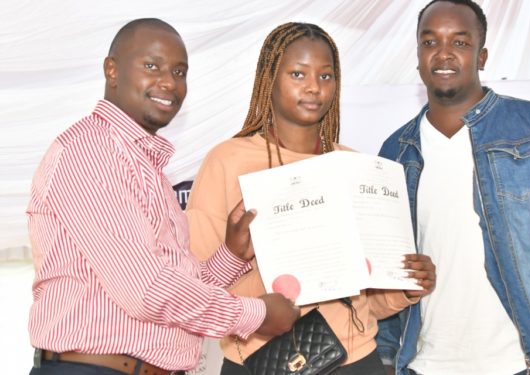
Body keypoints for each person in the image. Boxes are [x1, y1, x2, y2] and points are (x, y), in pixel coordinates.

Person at [26, 18, 300, 375]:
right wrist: (257, 314)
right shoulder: (90, 151)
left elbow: (175, 291)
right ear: (112, 69)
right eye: (151, 66)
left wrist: (231, 255)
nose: (169, 82)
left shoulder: (146, 167)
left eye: (180, 71)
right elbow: (148, 291)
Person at [186, 22, 436, 375]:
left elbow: (364, 303)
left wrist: (408, 285)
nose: (314, 88)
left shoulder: (353, 165)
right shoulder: (227, 161)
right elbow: (197, 287)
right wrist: (232, 254)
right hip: (262, 361)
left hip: (355, 360)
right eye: (298, 73)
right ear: (268, 79)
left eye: (325, 76)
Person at [376, 1, 530, 374]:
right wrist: (385, 357)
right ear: (418, 55)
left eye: (460, 42)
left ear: (481, 56)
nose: (444, 53)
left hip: (521, 362)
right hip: (423, 365)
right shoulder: (395, 152)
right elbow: (387, 267)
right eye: (430, 41)